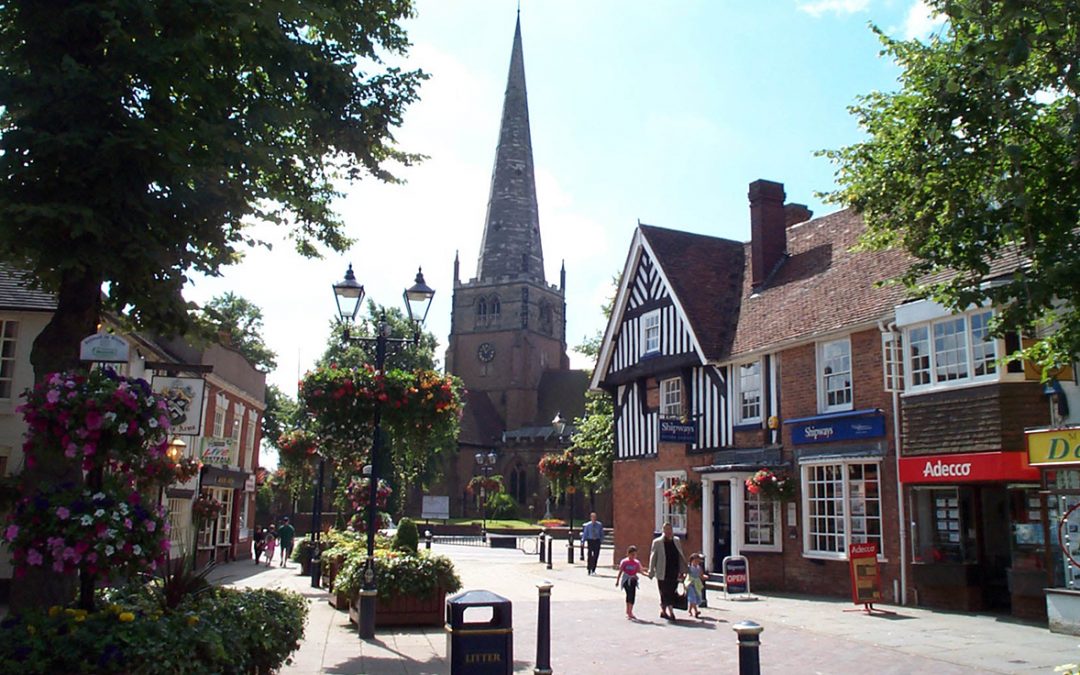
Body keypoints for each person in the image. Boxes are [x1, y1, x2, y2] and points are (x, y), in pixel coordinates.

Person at [648, 522, 687, 621]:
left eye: (670, 529)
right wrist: (651, 571)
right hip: (662, 571)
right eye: (666, 530)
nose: (669, 532)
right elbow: (653, 557)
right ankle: (671, 613)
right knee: (664, 592)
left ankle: (663, 611)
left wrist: (683, 570)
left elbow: (680, 555)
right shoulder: (657, 542)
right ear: (663, 531)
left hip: (674, 571)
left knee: (671, 591)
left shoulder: (676, 540)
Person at [615, 545, 646, 620]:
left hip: (633, 580)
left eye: (635, 555)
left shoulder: (637, 562)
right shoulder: (624, 562)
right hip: (626, 579)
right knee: (629, 594)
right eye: (632, 554)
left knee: (632, 595)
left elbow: (641, 571)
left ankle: (630, 611)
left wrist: (648, 575)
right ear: (628, 554)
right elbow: (620, 571)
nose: (633, 556)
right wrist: (618, 581)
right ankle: (628, 611)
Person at [686, 552, 708, 618]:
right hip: (690, 584)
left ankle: (690, 610)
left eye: (697, 561)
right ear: (691, 560)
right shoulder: (689, 567)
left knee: (696, 597)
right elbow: (685, 574)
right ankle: (696, 611)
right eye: (695, 560)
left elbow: (701, 575)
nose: (696, 562)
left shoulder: (699, 568)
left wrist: (704, 577)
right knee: (692, 597)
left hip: (697, 584)